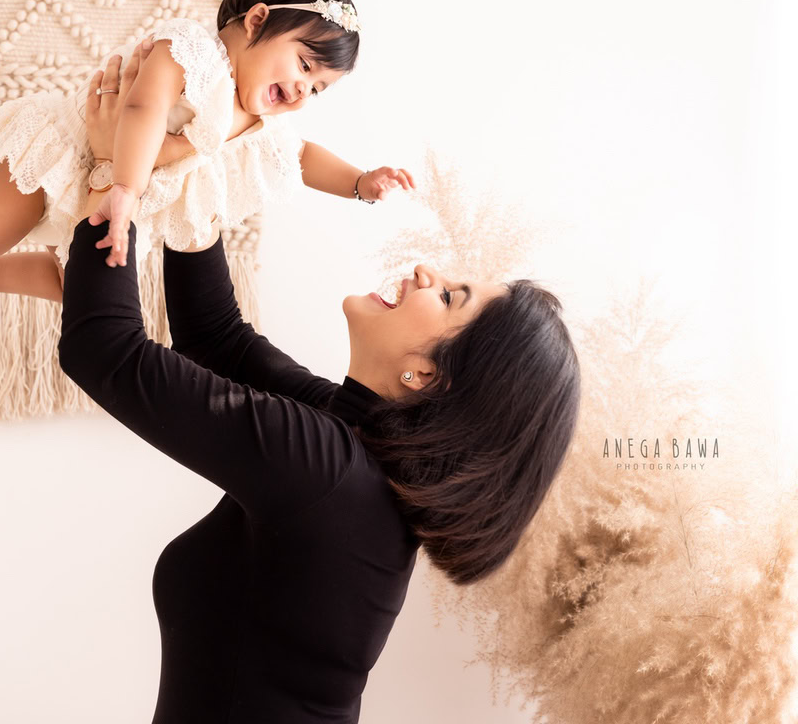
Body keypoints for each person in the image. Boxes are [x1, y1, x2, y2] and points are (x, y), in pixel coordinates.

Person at [56, 68, 582, 723]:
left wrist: (112, 170)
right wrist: (202, 163)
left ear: (430, 376)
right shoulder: (351, 450)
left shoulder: (330, 472)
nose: (427, 272)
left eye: (449, 296)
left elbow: (102, 350)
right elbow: (217, 339)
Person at [0, 0, 414, 319]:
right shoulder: (192, 52)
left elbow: (301, 156)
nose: (300, 93)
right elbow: (143, 108)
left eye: (317, 89)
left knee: (77, 289)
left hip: (113, 196)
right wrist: (124, 185)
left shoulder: (257, 120)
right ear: (256, 20)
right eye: (303, 64)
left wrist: (361, 183)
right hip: (62, 156)